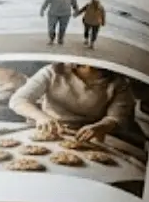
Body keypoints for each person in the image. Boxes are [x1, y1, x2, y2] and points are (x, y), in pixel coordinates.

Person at [10, 62, 138, 145]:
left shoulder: (119, 83)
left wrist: (101, 126)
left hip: (88, 138)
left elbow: (117, 117)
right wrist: (41, 117)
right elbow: (19, 100)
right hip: (48, 131)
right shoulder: (53, 71)